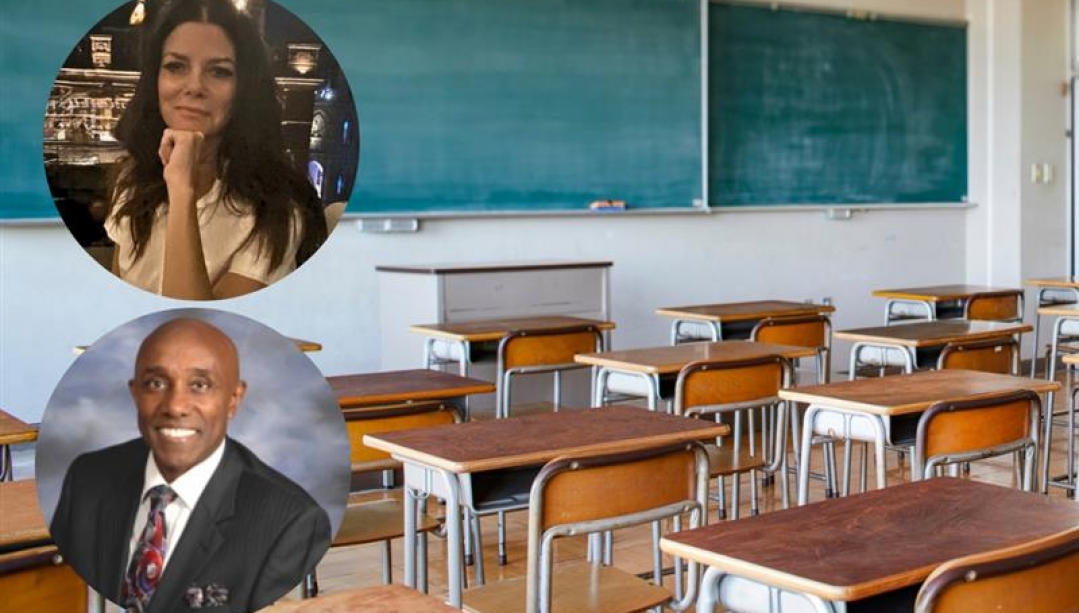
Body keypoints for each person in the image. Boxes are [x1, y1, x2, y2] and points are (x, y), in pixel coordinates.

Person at [50, 318, 331, 613]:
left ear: (233, 400)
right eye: (156, 384)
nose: (175, 406)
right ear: (135, 393)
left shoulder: (288, 522)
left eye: (199, 385)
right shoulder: (87, 479)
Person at [105, 0, 328, 300]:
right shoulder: (133, 179)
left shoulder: (277, 212)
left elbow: (197, 329)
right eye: (175, 66)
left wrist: (181, 190)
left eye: (219, 72)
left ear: (244, 90)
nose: (194, 86)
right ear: (156, 80)